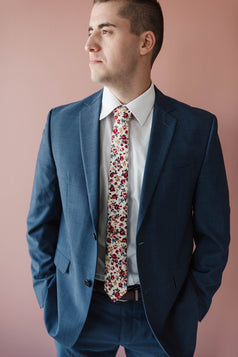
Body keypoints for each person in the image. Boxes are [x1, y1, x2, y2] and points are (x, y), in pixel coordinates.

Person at [26, 1, 230, 356]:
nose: (90, 44)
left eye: (105, 30)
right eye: (89, 31)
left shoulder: (198, 130)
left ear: (145, 42)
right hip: (80, 314)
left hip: (160, 320)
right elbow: (40, 223)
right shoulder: (60, 124)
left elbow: (214, 235)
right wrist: (49, 293)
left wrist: (191, 306)